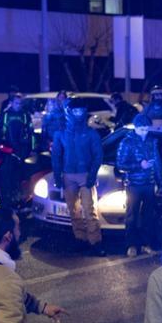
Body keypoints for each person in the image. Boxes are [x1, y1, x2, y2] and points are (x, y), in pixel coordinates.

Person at [51, 102, 105, 255]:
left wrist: (92, 175)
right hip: (68, 175)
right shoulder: (61, 133)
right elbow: (56, 156)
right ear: (69, 111)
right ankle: (80, 238)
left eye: (81, 109)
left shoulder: (90, 133)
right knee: (73, 210)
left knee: (89, 209)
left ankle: (95, 242)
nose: (79, 113)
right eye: (75, 110)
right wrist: (57, 175)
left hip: (85, 174)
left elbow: (98, 155)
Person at [116, 113, 162, 257]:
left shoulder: (151, 142)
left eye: (146, 129)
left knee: (148, 216)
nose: (145, 132)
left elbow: (157, 164)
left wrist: (160, 184)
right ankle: (131, 245)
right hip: (134, 185)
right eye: (142, 129)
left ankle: (145, 244)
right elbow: (120, 164)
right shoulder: (127, 142)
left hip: (149, 184)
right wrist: (139, 165)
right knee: (131, 216)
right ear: (136, 128)